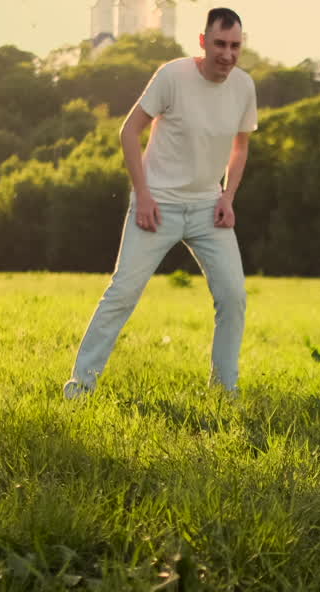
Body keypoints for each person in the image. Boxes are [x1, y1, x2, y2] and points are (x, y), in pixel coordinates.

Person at [63, 7, 257, 398]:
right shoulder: (172, 76)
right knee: (123, 292)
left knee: (233, 297)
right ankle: (80, 385)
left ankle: (223, 390)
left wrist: (228, 196)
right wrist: (145, 195)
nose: (228, 54)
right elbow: (128, 131)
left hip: (208, 209)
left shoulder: (244, 87)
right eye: (220, 44)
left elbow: (241, 146)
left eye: (235, 46)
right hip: (158, 206)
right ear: (203, 42)